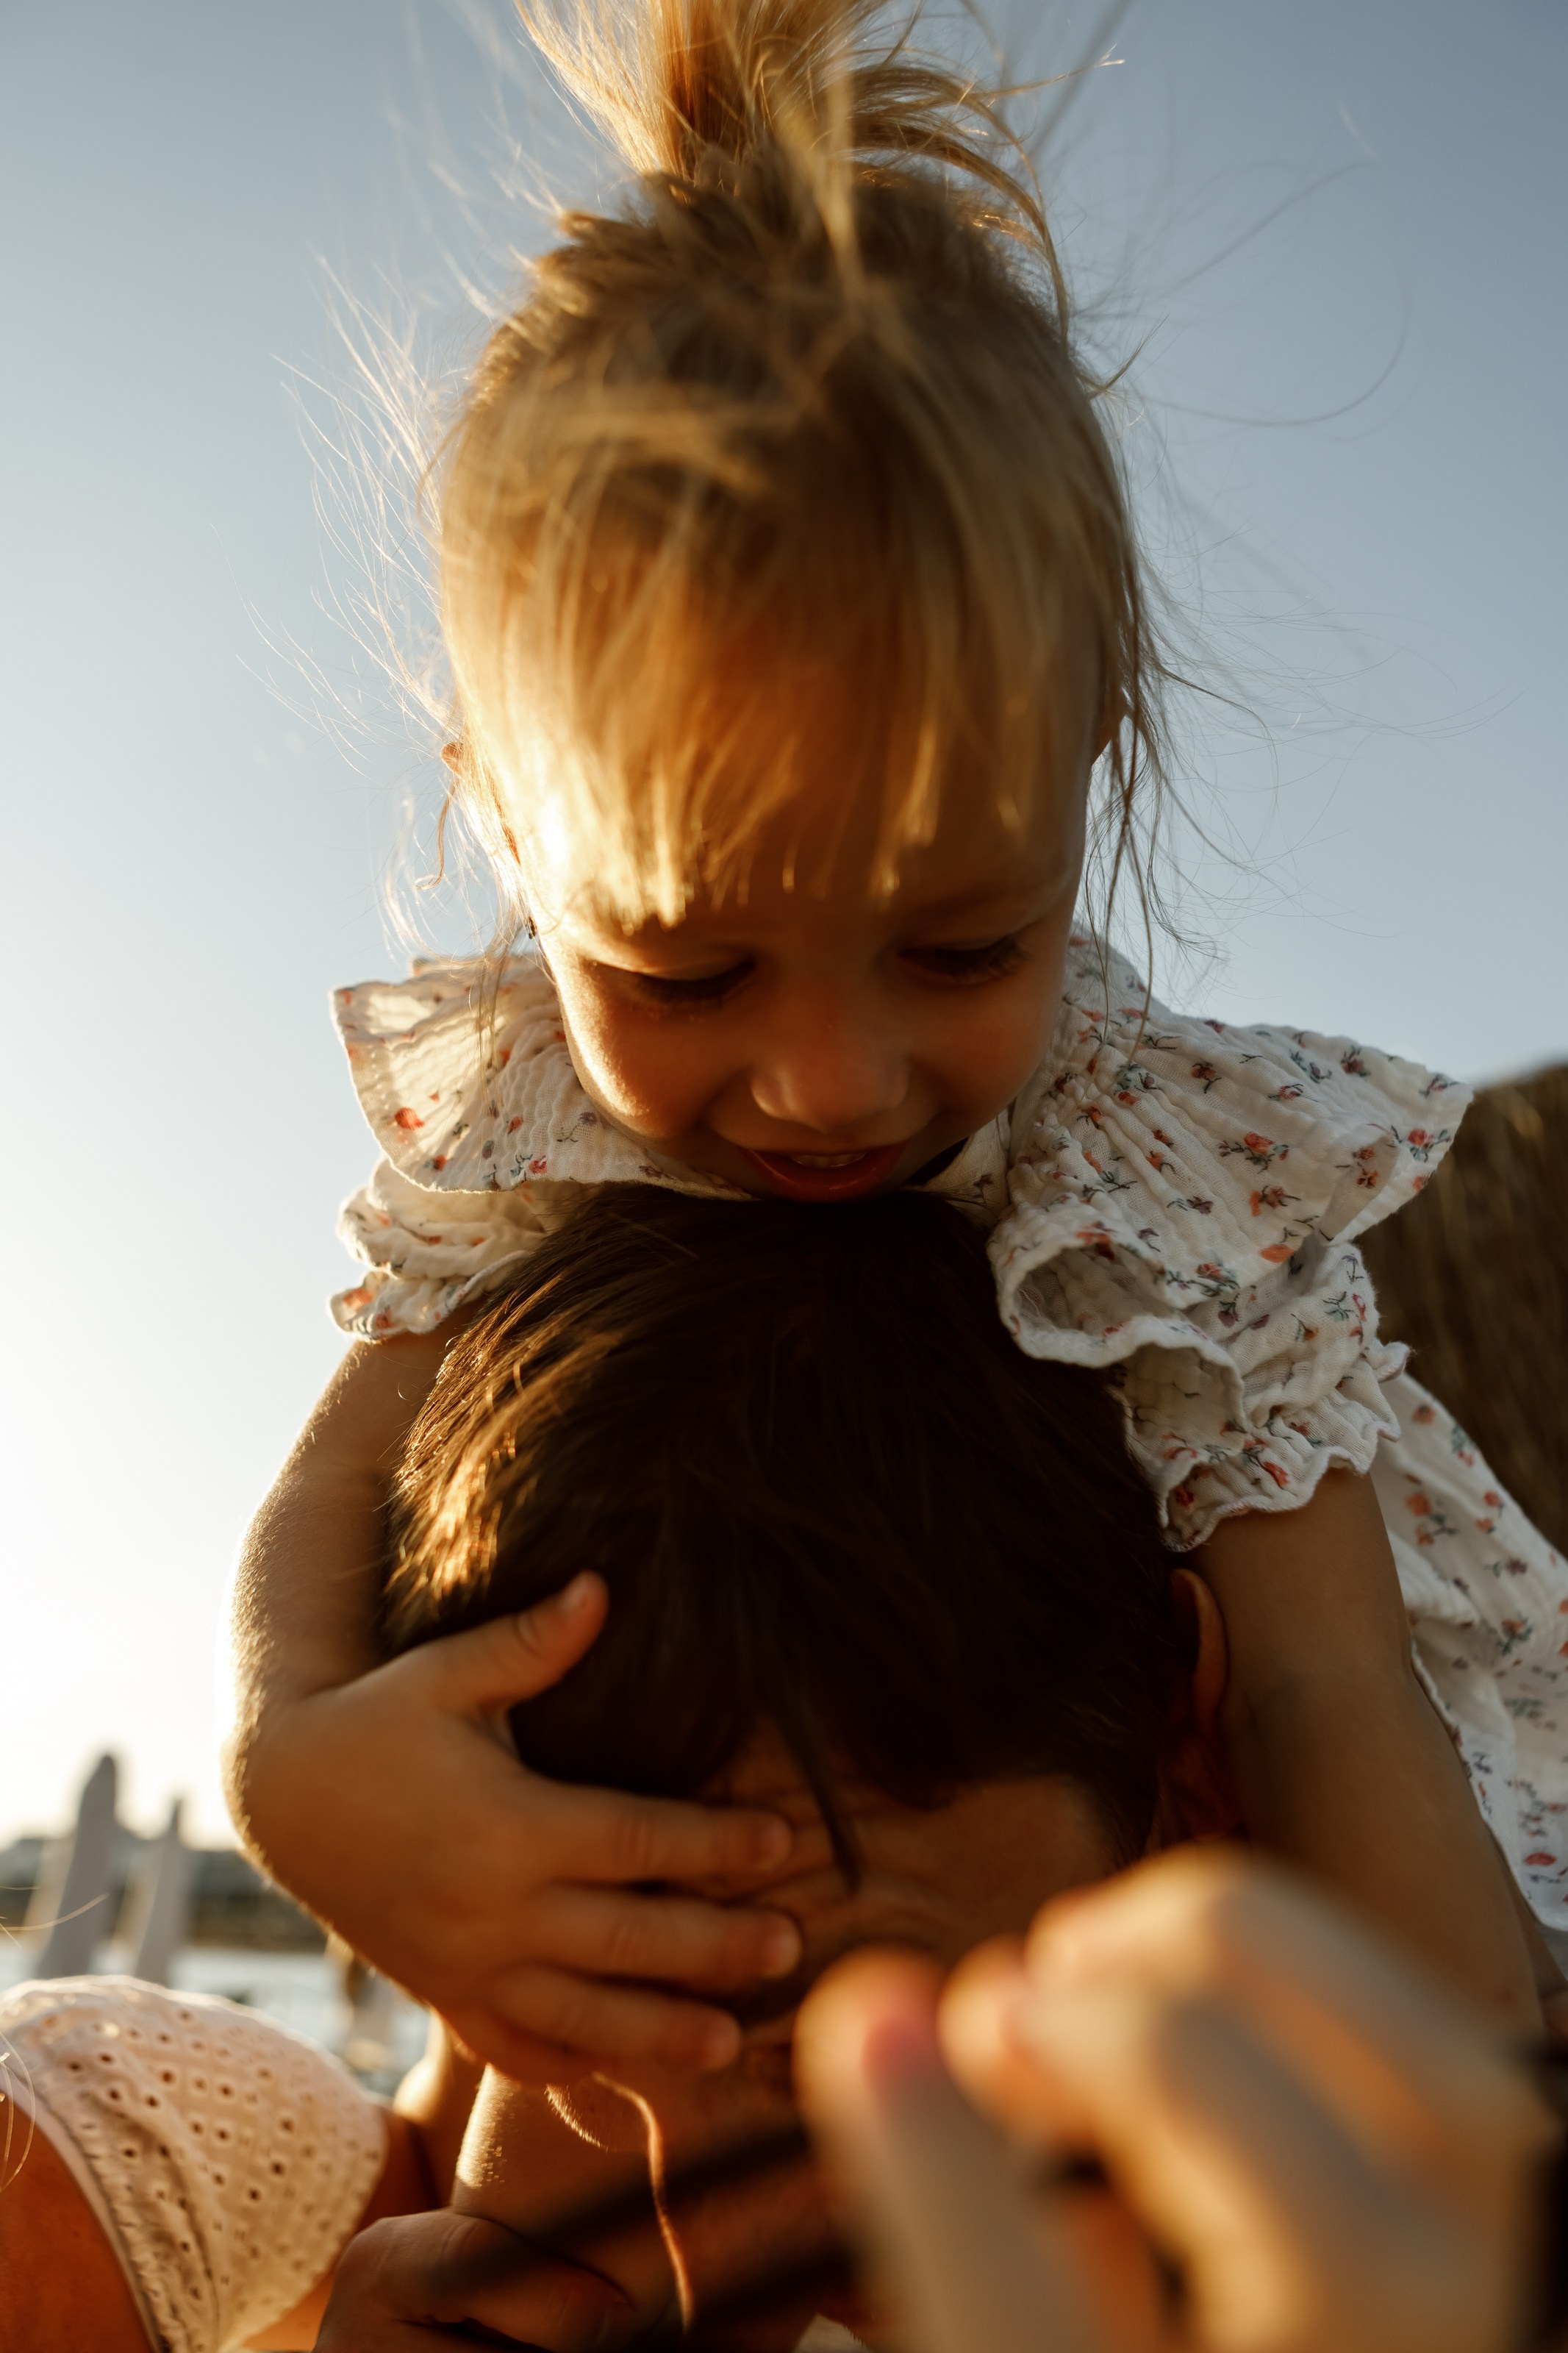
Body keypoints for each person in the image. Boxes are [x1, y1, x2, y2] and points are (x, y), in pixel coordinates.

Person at [225, 0, 1567, 2083]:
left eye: (960, 946)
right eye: (688, 975)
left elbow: (1326, 1683)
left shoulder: (1165, 1180)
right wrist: (296, 1774)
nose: (832, 1083)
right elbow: (345, 1478)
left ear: (1084, 774)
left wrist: (1471, 2117)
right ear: (506, 822)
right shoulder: (527, 1112)